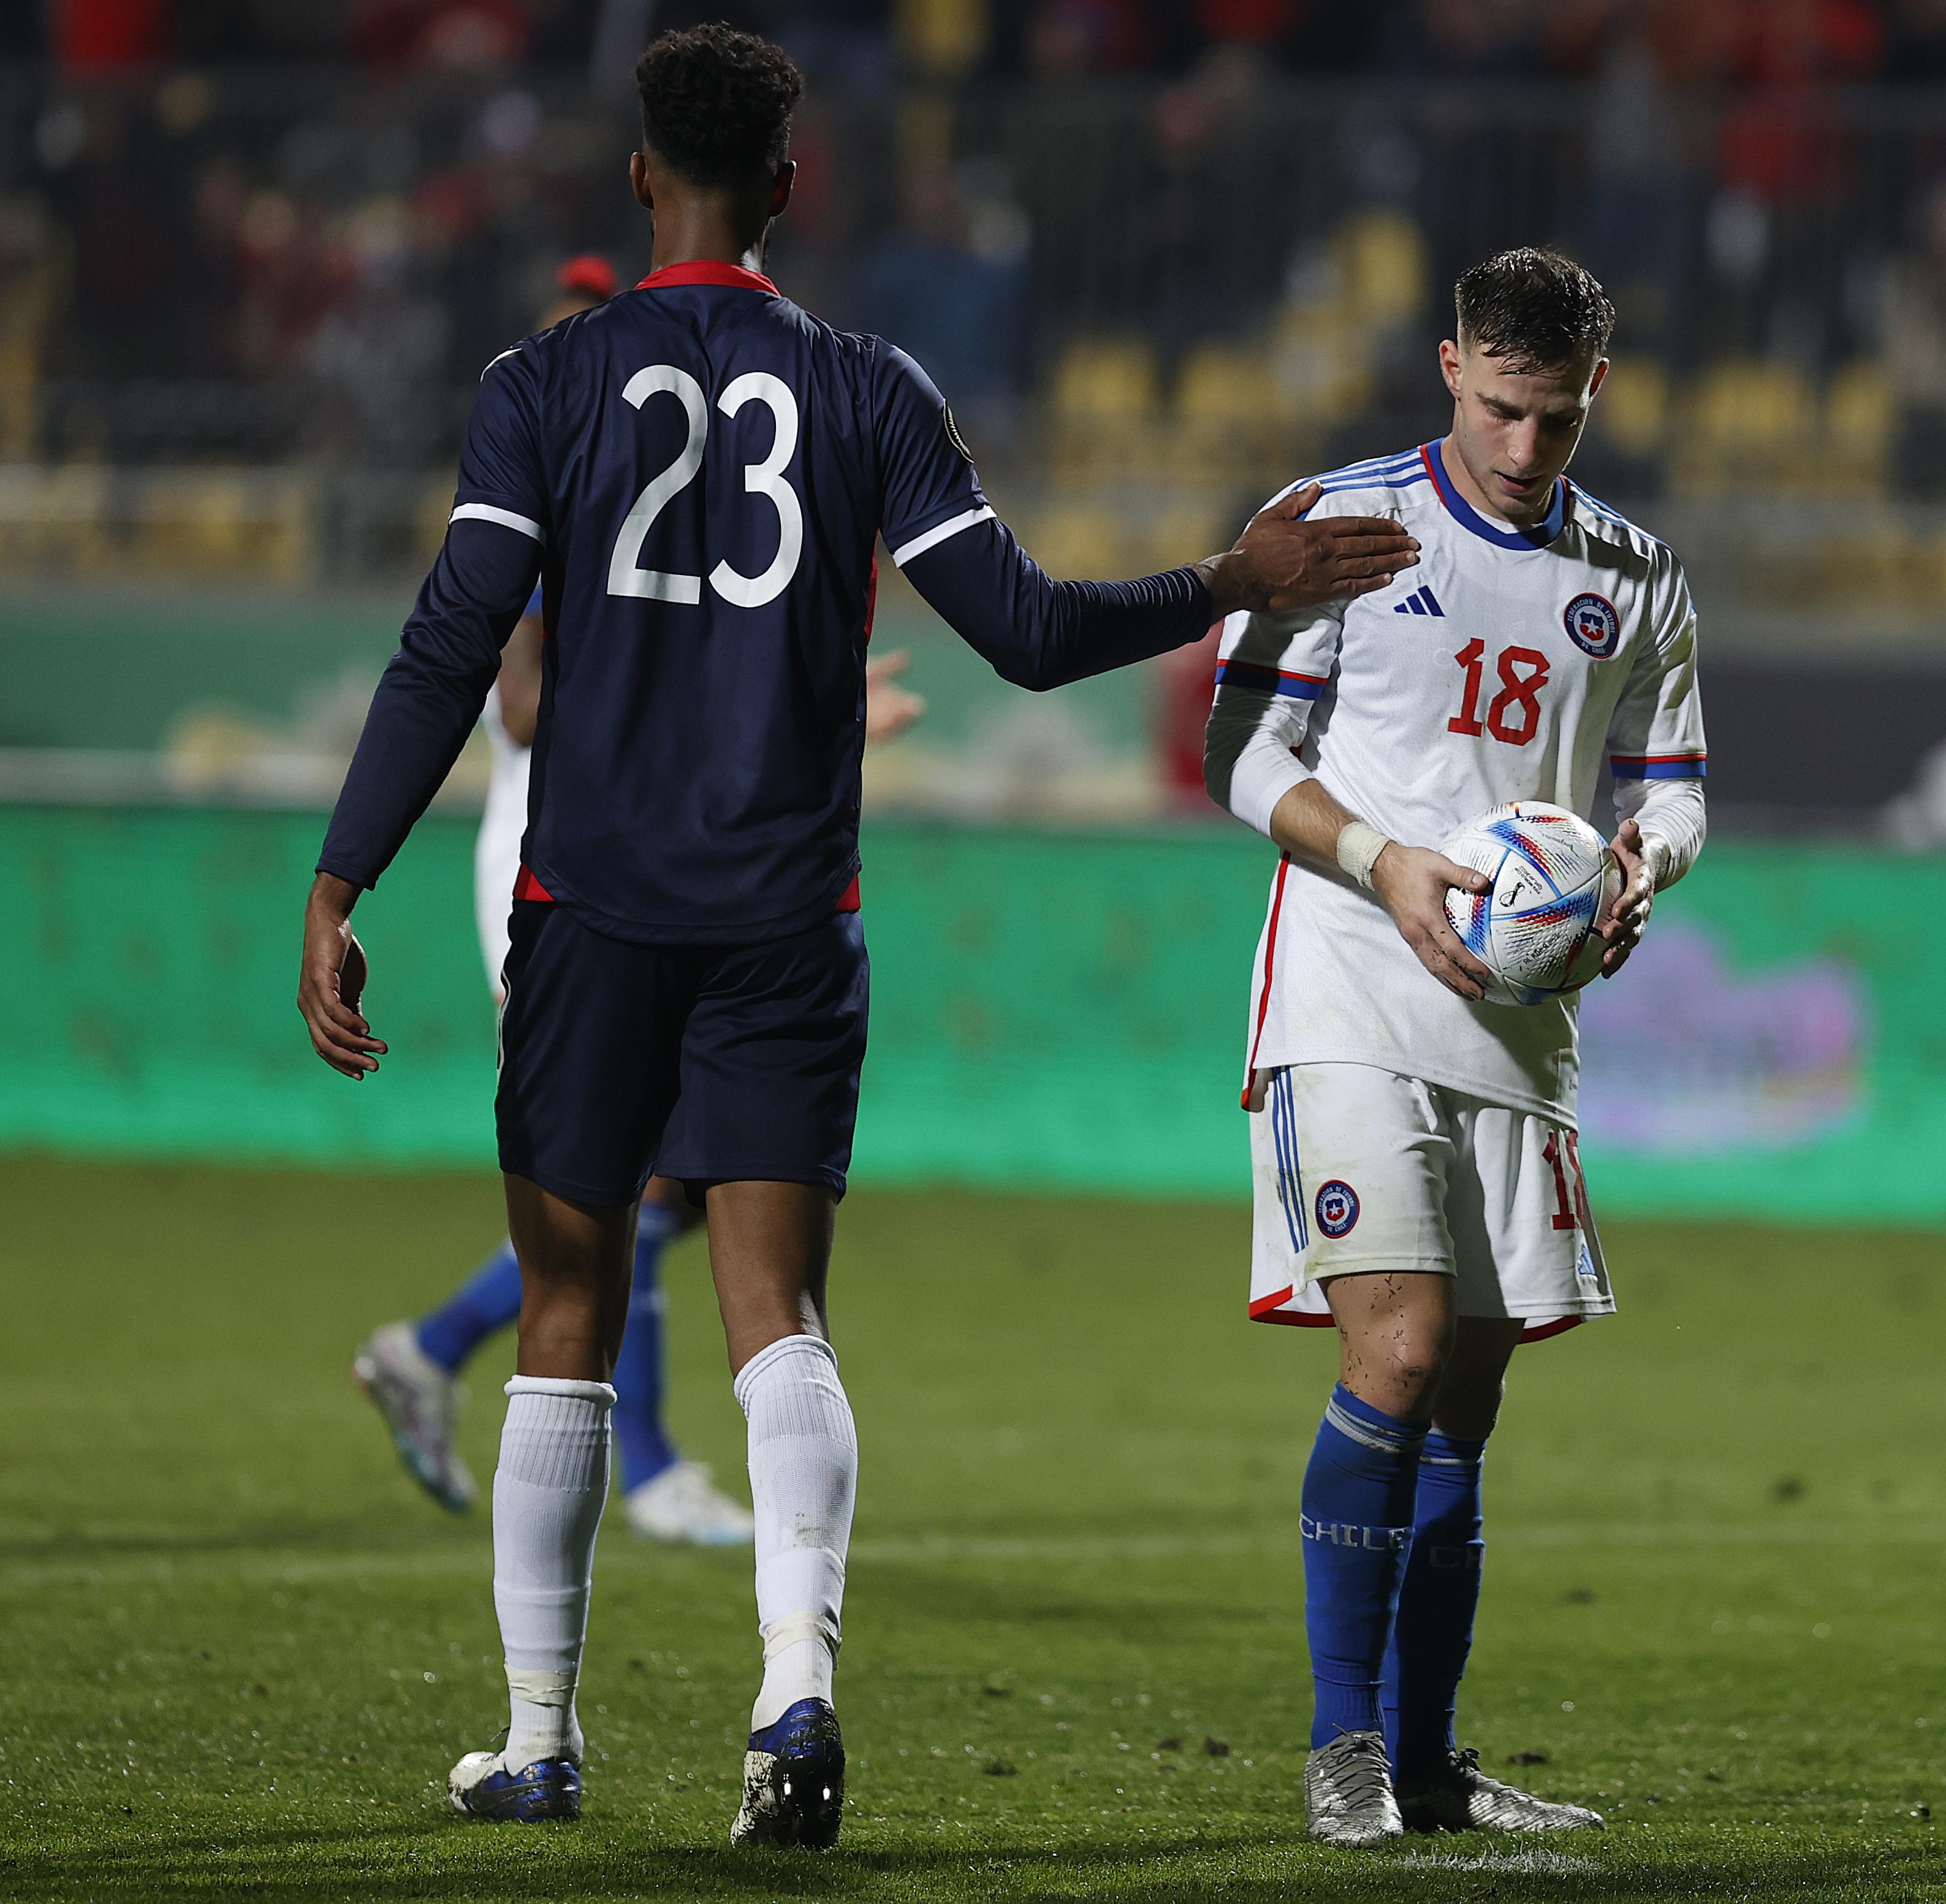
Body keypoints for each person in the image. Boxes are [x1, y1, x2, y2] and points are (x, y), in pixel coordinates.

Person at [295, 23, 1416, 1846]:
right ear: (791, 188)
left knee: (567, 1312)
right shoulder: (869, 388)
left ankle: (539, 1736)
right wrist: (1228, 580)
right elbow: (1035, 631)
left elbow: (448, 645)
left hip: (588, 912)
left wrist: (348, 878)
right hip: (787, 923)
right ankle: (795, 1689)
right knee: (777, 1312)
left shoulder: (544, 379)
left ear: (638, 177)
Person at [1205, 247, 1708, 1847]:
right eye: (1497, 409)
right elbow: (1234, 753)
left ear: (1594, 396)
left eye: (1552, 421)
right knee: (1400, 1354)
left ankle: (1428, 1767)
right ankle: (1341, 1748)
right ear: (1446, 369)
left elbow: (1674, 780)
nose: (1519, 448)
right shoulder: (1340, 527)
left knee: (1467, 1406)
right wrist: (1382, 861)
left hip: (1520, 1024)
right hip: (1350, 982)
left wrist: (1638, 866)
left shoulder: (1635, 574)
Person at [348, 258, 935, 1549]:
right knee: (638, 1177)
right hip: (559, 861)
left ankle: (493, 1377)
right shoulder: (560, 498)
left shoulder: (657, 505)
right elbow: (511, 703)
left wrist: (808, 715)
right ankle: (622, 1445)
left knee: (655, 1178)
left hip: (625, 854)